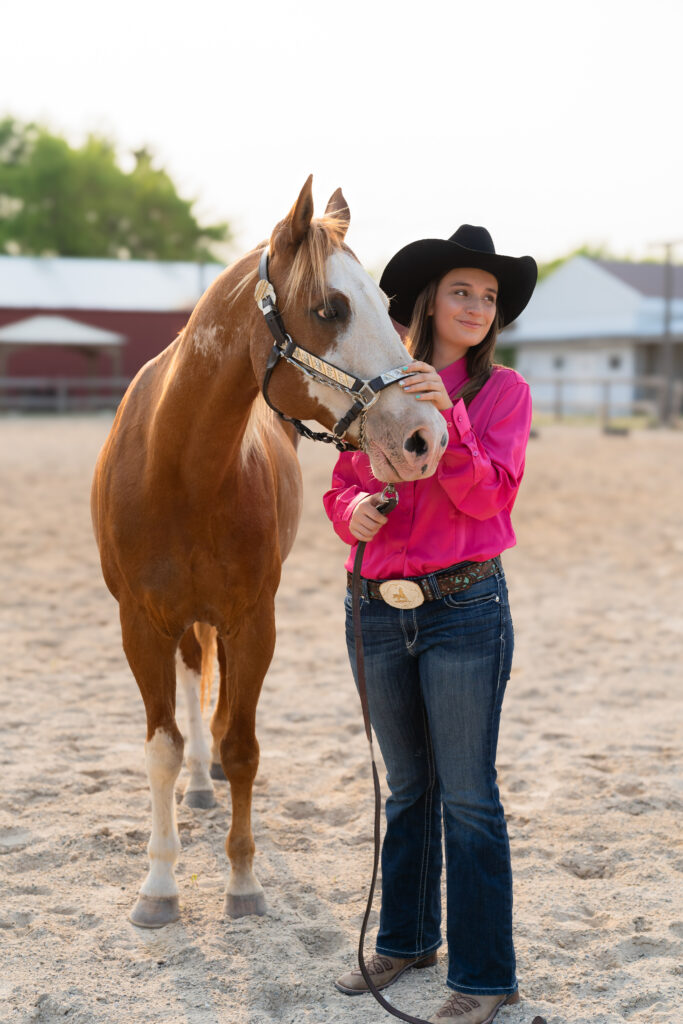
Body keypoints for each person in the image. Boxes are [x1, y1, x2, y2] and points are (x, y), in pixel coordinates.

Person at [323, 225, 538, 1024]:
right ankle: (408, 938)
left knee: (469, 797)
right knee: (408, 790)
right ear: (427, 301)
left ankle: (484, 977)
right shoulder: (376, 386)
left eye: (487, 297)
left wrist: (449, 419)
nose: (476, 306)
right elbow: (339, 484)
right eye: (462, 291)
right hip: (375, 610)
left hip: (463, 609)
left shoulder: (500, 394)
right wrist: (356, 512)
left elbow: (490, 498)